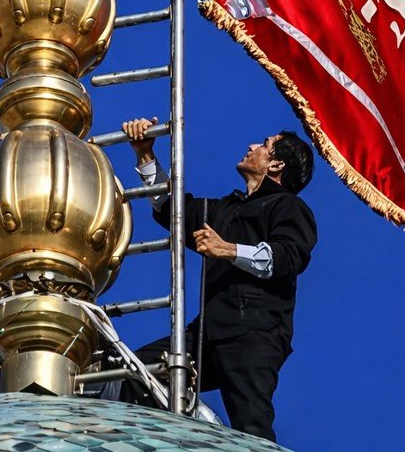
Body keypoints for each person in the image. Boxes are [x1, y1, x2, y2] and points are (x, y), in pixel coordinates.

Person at [119, 116, 317, 442]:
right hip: (207, 333)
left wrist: (228, 250)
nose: (252, 146)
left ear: (277, 163)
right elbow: (172, 209)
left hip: (253, 333)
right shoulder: (225, 209)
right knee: (138, 373)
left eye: (264, 145)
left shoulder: (288, 207)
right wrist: (144, 154)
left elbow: (287, 257)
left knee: (252, 429)